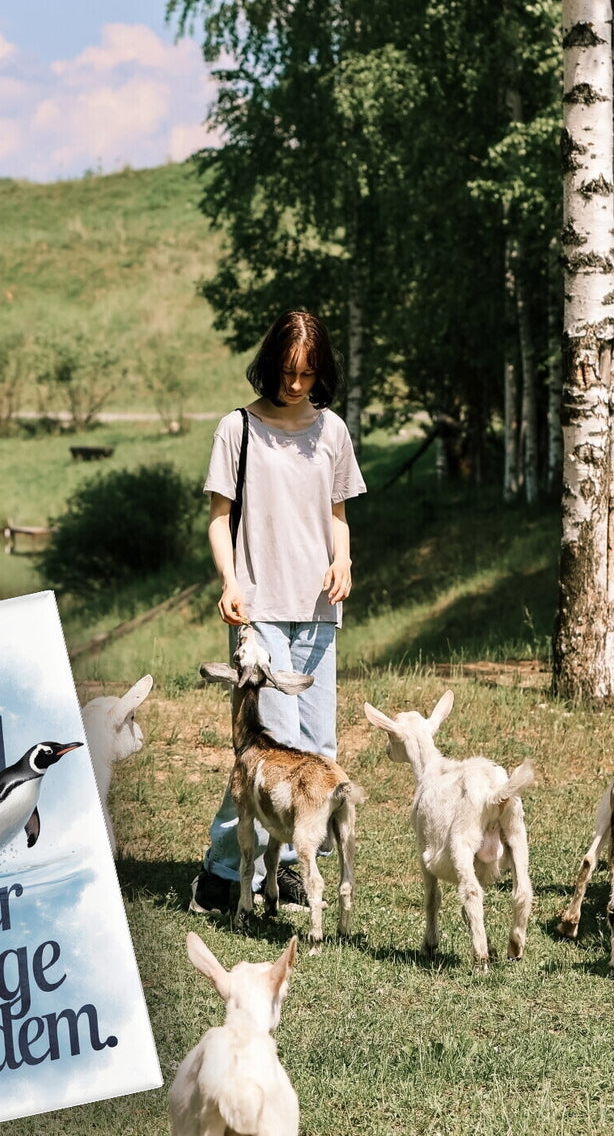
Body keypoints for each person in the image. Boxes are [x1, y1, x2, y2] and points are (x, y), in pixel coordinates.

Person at [189, 309, 366, 914]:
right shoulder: (236, 430)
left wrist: (342, 562)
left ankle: (286, 869)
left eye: (308, 373)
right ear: (271, 365)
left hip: (319, 609)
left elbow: (338, 515)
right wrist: (230, 581)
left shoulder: (333, 431)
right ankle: (221, 869)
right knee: (272, 743)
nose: (297, 384)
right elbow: (219, 520)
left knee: (318, 746)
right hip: (258, 604)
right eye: (289, 372)